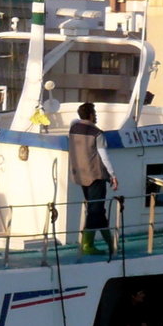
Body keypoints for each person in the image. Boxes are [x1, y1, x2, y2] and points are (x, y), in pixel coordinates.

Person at [68, 102, 118, 254]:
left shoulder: (73, 129)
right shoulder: (97, 133)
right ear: (90, 115)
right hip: (96, 176)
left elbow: (74, 121)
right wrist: (113, 175)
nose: (96, 116)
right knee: (95, 210)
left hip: (81, 176)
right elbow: (104, 156)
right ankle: (87, 245)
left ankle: (110, 243)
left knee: (97, 210)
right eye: (94, 113)